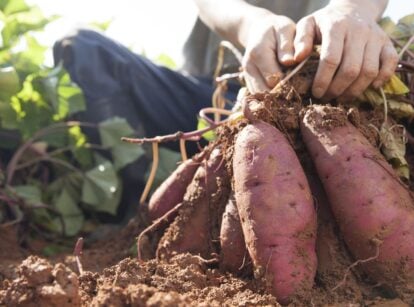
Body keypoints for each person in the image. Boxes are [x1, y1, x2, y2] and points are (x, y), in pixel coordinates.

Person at [53, 0, 397, 218]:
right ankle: (139, 210)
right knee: (82, 48)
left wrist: (353, 11)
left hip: (331, 101)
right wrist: (252, 25)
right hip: (216, 101)